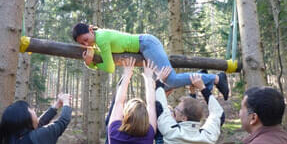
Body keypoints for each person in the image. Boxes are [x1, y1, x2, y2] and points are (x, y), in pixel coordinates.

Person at [72, 23, 229, 100]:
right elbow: (105, 62)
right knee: (166, 86)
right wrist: (91, 61)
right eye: (82, 43)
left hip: (146, 44)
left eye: (86, 39)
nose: (86, 44)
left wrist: (89, 63)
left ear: (91, 31)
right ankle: (203, 77)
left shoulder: (102, 38)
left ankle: (216, 78)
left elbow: (109, 67)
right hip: (144, 47)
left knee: (171, 80)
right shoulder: (98, 40)